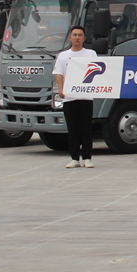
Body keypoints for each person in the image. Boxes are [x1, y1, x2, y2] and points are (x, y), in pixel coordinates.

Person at [53, 25, 98, 168]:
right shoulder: (63, 56)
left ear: (84, 38)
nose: (77, 38)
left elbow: (99, 71)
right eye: (75, 35)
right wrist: (60, 89)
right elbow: (59, 74)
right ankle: (74, 158)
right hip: (69, 97)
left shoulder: (91, 54)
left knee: (86, 128)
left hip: (85, 97)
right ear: (70, 38)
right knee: (73, 129)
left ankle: (87, 157)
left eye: (80, 35)